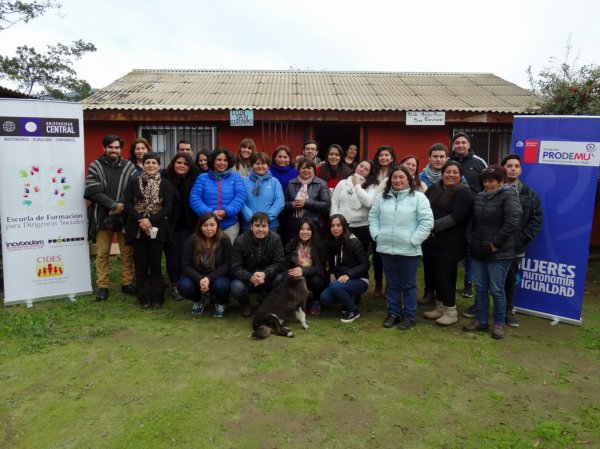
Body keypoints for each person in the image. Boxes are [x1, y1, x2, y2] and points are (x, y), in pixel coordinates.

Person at [369, 165, 433, 330]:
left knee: (408, 285)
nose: (397, 180)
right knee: (392, 284)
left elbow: (426, 222)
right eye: (394, 178)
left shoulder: (419, 198)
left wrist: (413, 240)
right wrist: (377, 236)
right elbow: (373, 217)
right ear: (390, 181)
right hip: (386, 248)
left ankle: (409, 316)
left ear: (408, 180)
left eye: (401, 177)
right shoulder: (382, 198)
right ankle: (393, 313)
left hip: (408, 250)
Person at [462, 164, 521, 339]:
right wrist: (470, 239)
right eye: (485, 181)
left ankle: (498, 323)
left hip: (498, 253)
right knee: (480, 288)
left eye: (492, 181)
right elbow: (471, 221)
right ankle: (480, 320)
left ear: (501, 181)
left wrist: (495, 244)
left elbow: (511, 223)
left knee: (496, 289)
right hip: (478, 249)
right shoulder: (480, 196)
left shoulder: (509, 195)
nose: (488, 184)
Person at [84, 135, 137, 301]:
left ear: (121, 149)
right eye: (110, 147)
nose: (113, 150)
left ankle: (127, 283)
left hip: (125, 216)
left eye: (116, 147)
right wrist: (113, 205)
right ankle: (103, 286)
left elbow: (134, 189)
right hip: (102, 216)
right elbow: (92, 191)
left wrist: (121, 205)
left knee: (127, 252)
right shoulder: (95, 166)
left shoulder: (129, 166)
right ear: (104, 148)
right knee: (102, 253)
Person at [422, 161, 474, 326]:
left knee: (445, 276)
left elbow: (457, 216)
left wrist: (431, 227)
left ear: (460, 175)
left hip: (451, 242)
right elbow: (423, 206)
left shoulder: (464, 192)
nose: (451, 175)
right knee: (435, 275)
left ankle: (451, 311)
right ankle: (440, 307)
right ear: (442, 173)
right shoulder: (434, 188)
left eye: (455, 172)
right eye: (448, 172)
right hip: (431, 240)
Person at [123, 152, 174, 309]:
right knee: (141, 262)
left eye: (154, 162)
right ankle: (144, 296)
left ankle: (157, 296)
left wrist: (150, 220)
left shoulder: (166, 184)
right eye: (147, 162)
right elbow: (128, 204)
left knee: (156, 262)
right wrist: (141, 220)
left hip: (157, 227)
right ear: (143, 165)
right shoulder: (133, 182)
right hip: (138, 227)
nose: (150, 165)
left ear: (159, 166)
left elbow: (168, 207)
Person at [501, 153, 543, 328]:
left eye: (516, 166)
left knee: (510, 279)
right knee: (488, 278)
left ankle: (507, 311)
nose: (512, 169)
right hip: (493, 245)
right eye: (509, 166)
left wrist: (521, 240)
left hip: (515, 247)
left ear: (520, 170)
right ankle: (481, 305)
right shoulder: (493, 189)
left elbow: (536, 220)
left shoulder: (530, 194)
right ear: (503, 168)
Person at [449, 132, 487, 302]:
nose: (460, 145)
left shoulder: (479, 162)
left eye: (463, 143)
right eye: (457, 143)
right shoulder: (449, 161)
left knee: (470, 249)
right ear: (453, 145)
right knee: (453, 248)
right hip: (452, 212)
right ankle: (449, 281)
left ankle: (468, 283)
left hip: (473, 212)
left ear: (469, 144)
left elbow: (486, 185)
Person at [230, 212, 284, 317]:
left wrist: (265, 273)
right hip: (248, 280)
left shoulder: (276, 239)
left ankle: (267, 302)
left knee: (281, 278)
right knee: (235, 287)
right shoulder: (240, 240)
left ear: (269, 227)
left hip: (267, 278)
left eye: (264, 226)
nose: (260, 229)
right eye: (257, 226)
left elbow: (279, 262)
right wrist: (250, 277)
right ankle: (246, 305)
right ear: (251, 226)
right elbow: (235, 267)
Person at [178, 212, 231, 318]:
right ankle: (200, 300)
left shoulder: (225, 240)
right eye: (205, 225)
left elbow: (226, 265)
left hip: (217, 276)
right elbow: (185, 266)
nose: (209, 228)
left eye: (212, 225)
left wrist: (209, 278)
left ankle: (220, 303)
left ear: (217, 225)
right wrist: (200, 279)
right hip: (198, 276)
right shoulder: (192, 240)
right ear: (200, 227)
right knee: (184, 285)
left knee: (222, 285)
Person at [162, 153, 200, 300]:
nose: (182, 166)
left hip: (188, 224)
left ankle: (185, 283)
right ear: (173, 163)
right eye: (179, 162)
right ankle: (175, 285)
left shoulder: (195, 179)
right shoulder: (165, 177)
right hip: (170, 224)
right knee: (172, 256)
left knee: (185, 255)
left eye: (185, 164)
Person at [190, 148, 246, 244]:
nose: (222, 163)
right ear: (212, 160)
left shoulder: (235, 177)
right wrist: (211, 213)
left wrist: (226, 211)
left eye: (225, 160)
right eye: (219, 159)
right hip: (208, 224)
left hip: (230, 224)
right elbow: (195, 199)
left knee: (228, 255)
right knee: (207, 254)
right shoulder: (202, 178)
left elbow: (240, 197)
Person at [321, 214, 370, 323]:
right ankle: (349, 300)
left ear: (344, 226)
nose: (335, 228)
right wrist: (332, 272)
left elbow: (365, 265)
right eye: (332, 225)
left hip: (360, 279)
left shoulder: (354, 242)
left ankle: (353, 310)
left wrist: (349, 274)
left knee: (334, 285)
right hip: (342, 280)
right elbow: (333, 262)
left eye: (339, 225)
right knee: (324, 298)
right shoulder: (331, 242)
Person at [330, 160, 379, 254]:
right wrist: (334, 221)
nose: (362, 170)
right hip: (342, 226)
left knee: (359, 256)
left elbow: (368, 202)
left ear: (370, 173)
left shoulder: (372, 186)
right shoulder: (342, 183)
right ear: (357, 166)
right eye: (361, 166)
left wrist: (357, 185)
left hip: (362, 227)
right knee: (341, 254)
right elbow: (334, 203)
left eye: (366, 169)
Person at [371, 145, 398, 298]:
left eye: (387, 155)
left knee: (389, 253)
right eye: (381, 155)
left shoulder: (396, 173)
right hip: (373, 215)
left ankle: (389, 284)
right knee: (376, 253)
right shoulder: (373, 171)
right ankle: (378, 282)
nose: (384, 158)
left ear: (392, 158)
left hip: (389, 215)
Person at [285, 217, 327, 316]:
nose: (305, 232)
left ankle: (315, 301)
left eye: (308, 229)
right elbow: (285, 261)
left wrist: (303, 271)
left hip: (314, 275)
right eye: (302, 229)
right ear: (298, 231)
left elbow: (321, 268)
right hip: (297, 275)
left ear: (312, 231)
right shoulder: (292, 243)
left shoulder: (319, 244)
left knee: (315, 280)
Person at [284, 157, 331, 243]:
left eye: (309, 168)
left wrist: (306, 203)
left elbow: (326, 205)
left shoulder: (321, 184)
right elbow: (283, 204)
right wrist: (292, 205)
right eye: (303, 168)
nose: (306, 170)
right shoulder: (291, 183)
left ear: (314, 170)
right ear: (299, 170)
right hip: (294, 226)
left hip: (314, 225)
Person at [241, 152, 284, 233]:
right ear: (252, 165)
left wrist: (266, 218)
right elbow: (241, 202)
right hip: (248, 224)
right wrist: (252, 218)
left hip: (270, 224)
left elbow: (279, 202)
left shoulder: (274, 182)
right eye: (257, 163)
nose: (260, 166)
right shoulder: (244, 182)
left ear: (268, 166)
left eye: (263, 164)